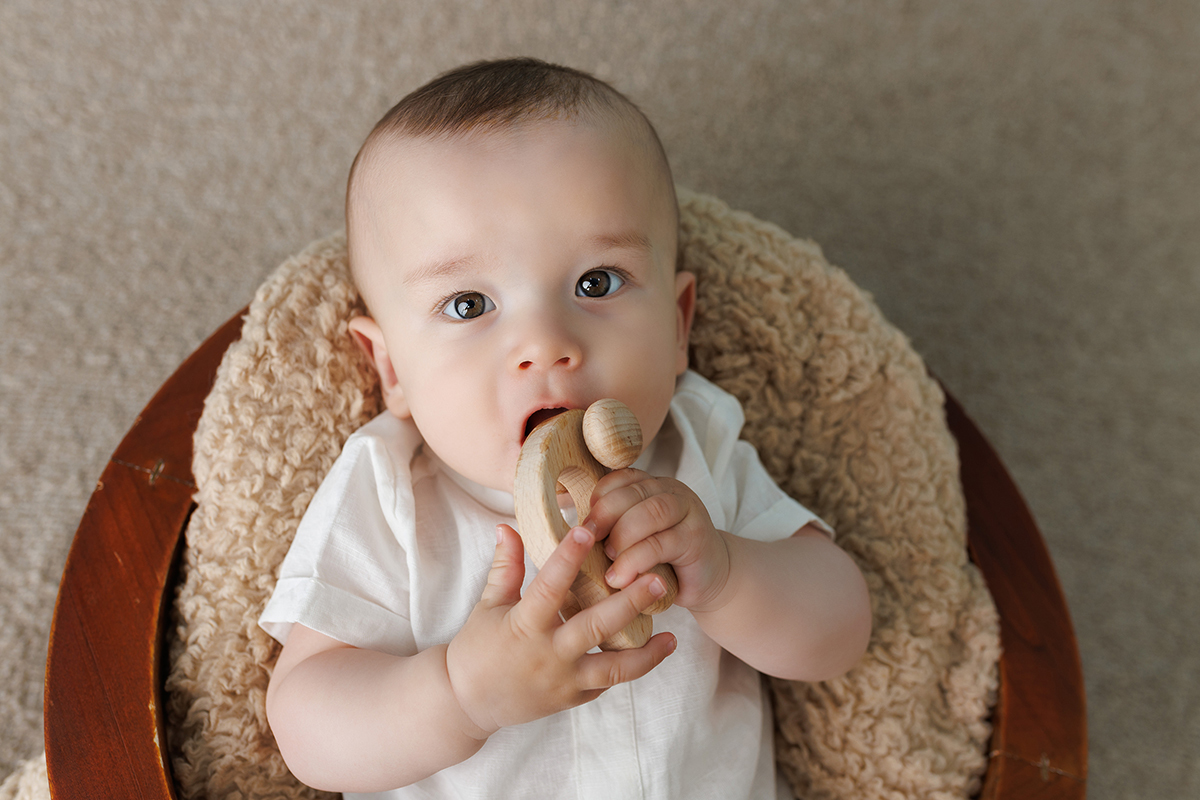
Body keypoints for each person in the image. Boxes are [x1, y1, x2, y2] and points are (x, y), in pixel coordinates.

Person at [260, 57, 871, 799]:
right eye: (468, 305)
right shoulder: (390, 492)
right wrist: (459, 695)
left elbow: (842, 630)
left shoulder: (694, 450)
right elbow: (305, 724)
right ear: (391, 369)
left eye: (596, 283)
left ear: (678, 328)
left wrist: (728, 573)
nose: (545, 343)